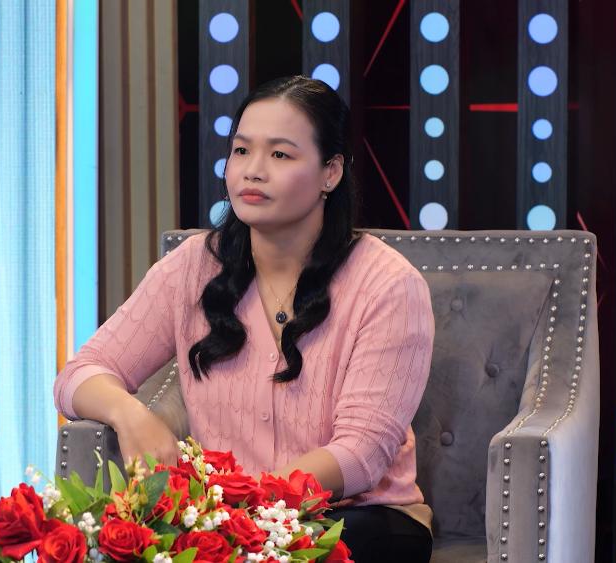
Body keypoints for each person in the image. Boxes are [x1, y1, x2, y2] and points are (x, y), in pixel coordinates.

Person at [53, 75, 434, 562]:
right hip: (224, 524)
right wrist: (132, 416)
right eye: (241, 151)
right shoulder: (193, 267)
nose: (252, 171)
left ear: (330, 172)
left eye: (280, 155)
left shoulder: (388, 285)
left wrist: (242, 512)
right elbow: (79, 375)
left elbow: (361, 455)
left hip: (357, 518)